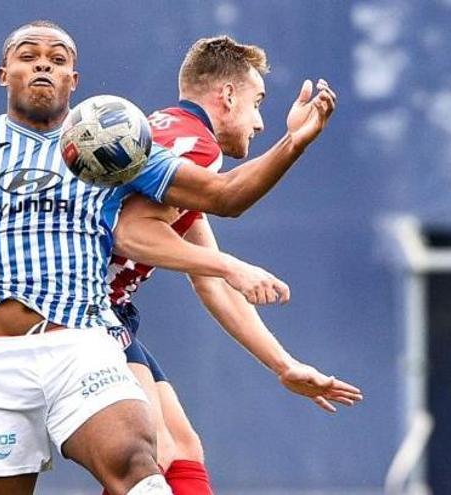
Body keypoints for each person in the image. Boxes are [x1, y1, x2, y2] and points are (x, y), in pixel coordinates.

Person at [0, 20, 334, 495]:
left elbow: (225, 195)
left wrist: (293, 143)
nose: (43, 64)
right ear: (4, 74)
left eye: (58, 59)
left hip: (81, 344)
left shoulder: (115, 149)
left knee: (139, 466)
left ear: (74, 81)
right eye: (28, 56)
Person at [106, 36, 363, 494]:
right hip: (80, 311)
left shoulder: (166, 134)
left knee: (183, 451)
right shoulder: (197, 143)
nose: (260, 121)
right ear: (227, 95)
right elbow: (130, 233)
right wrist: (231, 265)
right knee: (154, 454)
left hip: (110, 311)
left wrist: (283, 365)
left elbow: (208, 279)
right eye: (257, 101)